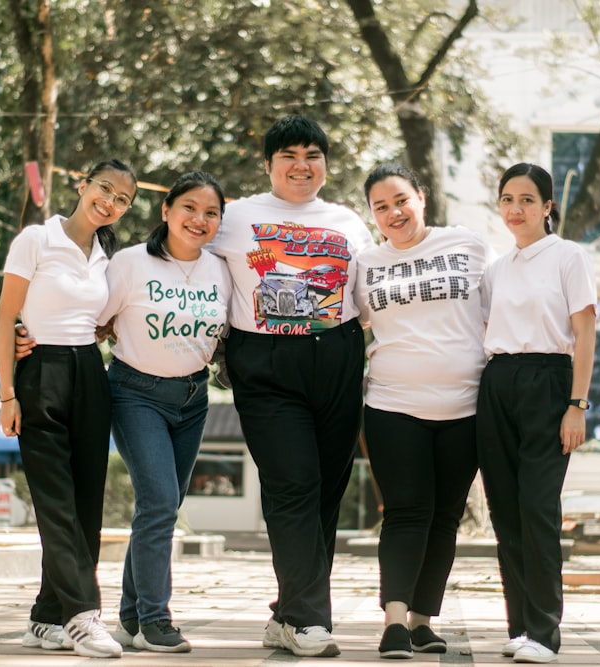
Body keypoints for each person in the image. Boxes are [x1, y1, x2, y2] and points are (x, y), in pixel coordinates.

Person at [207, 114, 375, 658]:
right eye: (289, 156)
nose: (301, 167)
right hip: (265, 362)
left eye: (313, 156)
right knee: (294, 483)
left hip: (339, 356)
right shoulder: (236, 217)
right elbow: (183, 270)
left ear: (325, 163)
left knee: (326, 489)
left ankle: (288, 613)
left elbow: (374, 297)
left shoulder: (349, 220)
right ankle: (307, 619)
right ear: (269, 164)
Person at [0, 159, 138, 660]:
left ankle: (44, 617)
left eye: (123, 200)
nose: (111, 202)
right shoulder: (36, 239)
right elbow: (6, 317)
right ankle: (82, 616)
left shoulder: (107, 255)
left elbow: (101, 317)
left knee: (85, 506)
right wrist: (8, 395)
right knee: (54, 502)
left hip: (89, 374)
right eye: (105, 189)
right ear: (82, 185)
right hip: (41, 374)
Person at [354, 164, 495, 659]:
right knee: (407, 511)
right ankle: (394, 621)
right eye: (381, 206)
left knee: (445, 517)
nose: (393, 213)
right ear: (372, 214)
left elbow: (501, 307)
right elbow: (340, 320)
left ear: (421, 197)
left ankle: (421, 621)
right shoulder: (366, 263)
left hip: (465, 406)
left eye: (400, 200)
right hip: (393, 403)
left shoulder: (468, 244)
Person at [98, 172, 231, 654]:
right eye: (189, 208)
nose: (199, 219)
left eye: (211, 212)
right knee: (158, 504)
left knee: (162, 508)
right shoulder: (131, 263)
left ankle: (131, 618)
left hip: (194, 399)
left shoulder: (221, 269)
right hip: (136, 393)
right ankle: (157, 619)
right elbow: (94, 321)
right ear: (166, 211)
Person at [476, 163, 596, 664]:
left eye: (527, 199)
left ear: (547, 206)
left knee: (538, 510)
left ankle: (545, 633)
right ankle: (520, 626)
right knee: (505, 513)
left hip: (550, 383)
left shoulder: (568, 256)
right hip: (498, 382)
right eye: (507, 199)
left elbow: (585, 331)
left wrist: (577, 404)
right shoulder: (496, 269)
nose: (515, 209)